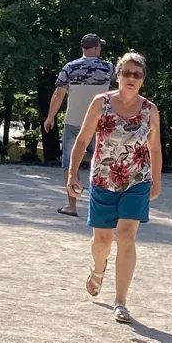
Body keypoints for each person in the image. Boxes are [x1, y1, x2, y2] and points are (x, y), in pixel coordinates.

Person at [66, 50, 162, 324]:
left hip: (137, 179)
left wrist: (157, 181)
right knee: (103, 240)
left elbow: (154, 147)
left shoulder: (149, 110)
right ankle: (98, 269)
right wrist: (72, 175)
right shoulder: (101, 103)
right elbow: (83, 140)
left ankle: (121, 302)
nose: (131, 78)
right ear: (118, 75)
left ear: (143, 79)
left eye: (137, 74)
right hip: (103, 179)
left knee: (126, 235)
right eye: (127, 73)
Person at [44, 34, 114, 216]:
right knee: (102, 164)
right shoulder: (108, 68)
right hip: (99, 124)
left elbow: (58, 94)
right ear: (97, 48)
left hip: (74, 122)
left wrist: (50, 117)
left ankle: (72, 205)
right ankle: (102, 206)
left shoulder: (70, 68)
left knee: (70, 165)